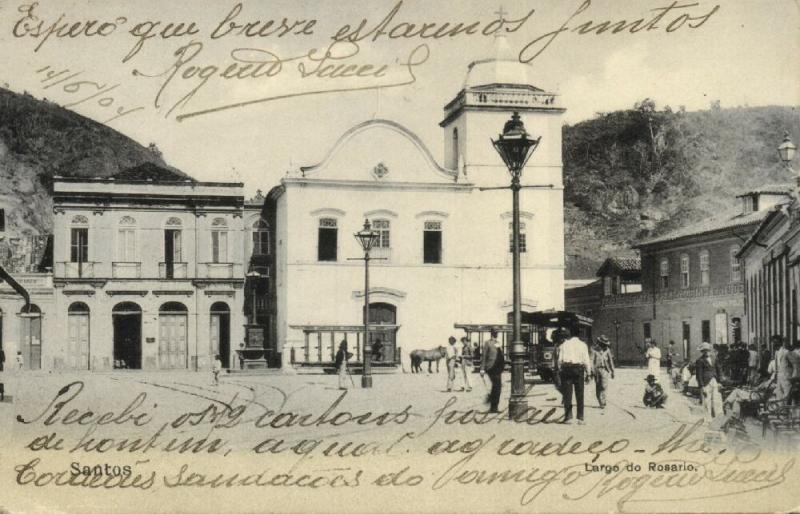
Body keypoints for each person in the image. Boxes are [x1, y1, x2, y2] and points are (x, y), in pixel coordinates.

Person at [556, 328, 592, 424]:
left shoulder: (563, 345)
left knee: (567, 394)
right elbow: (586, 360)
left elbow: (559, 361)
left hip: (567, 370)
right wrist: (588, 373)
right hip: (579, 370)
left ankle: (568, 418)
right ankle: (580, 418)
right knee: (580, 394)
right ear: (579, 335)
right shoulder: (583, 345)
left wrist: (560, 370)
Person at [696, 342, 723, 420]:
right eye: (704, 351)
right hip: (706, 382)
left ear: (710, 350)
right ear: (702, 351)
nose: (706, 352)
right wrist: (701, 386)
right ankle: (708, 418)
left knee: (717, 399)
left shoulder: (714, 358)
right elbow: (699, 375)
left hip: (715, 381)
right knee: (707, 401)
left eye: (707, 350)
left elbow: (719, 370)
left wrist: (720, 382)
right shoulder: (700, 360)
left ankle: (719, 418)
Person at [480, 329, 504, 413]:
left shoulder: (498, 343)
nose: (496, 334)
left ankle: (494, 407)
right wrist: (482, 369)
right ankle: (493, 407)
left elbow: (500, 355)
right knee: (497, 386)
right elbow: (484, 356)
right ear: (492, 334)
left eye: (497, 333)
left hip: (498, 368)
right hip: (491, 367)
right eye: (495, 333)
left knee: (497, 387)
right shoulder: (487, 343)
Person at [591, 335, 615, 409]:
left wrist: (612, 371)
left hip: (605, 369)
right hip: (597, 370)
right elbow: (591, 360)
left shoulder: (607, 350)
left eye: (606, 344)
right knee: (598, 386)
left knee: (604, 386)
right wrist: (592, 370)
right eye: (603, 344)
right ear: (600, 343)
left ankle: (603, 401)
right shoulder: (594, 350)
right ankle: (600, 401)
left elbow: (610, 361)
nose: (605, 345)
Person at [774, 335, 794, 401]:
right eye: (773, 342)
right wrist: (776, 375)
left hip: (787, 377)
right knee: (779, 395)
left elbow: (794, 364)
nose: (774, 344)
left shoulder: (786, 352)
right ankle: (780, 410)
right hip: (779, 377)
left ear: (780, 343)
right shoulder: (776, 353)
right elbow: (777, 366)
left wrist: (792, 376)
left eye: (776, 342)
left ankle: (787, 410)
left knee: (787, 396)